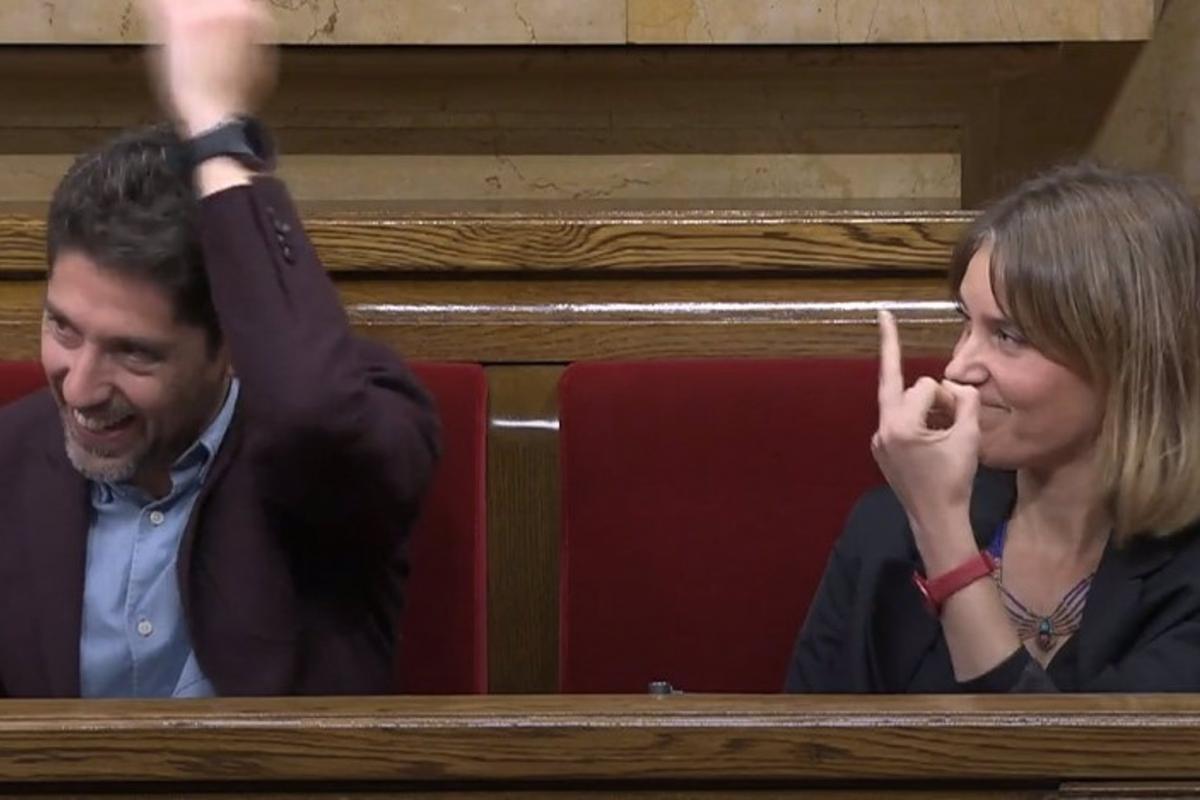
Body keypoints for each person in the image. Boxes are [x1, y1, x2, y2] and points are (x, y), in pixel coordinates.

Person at [0, 0, 439, 697]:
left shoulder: (346, 440)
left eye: (134, 354)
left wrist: (217, 133)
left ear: (229, 343)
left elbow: (311, 413)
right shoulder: (10, 460)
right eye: (63, 329)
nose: (79, 387)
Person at [786, 162, 1200, 692]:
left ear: (1130, 359)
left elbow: (1041, 746)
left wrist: (945, 538)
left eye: (1009, 336)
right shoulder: (887, 530)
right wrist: (932, 520)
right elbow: (810, 739)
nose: (958, 367)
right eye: (967, 322)